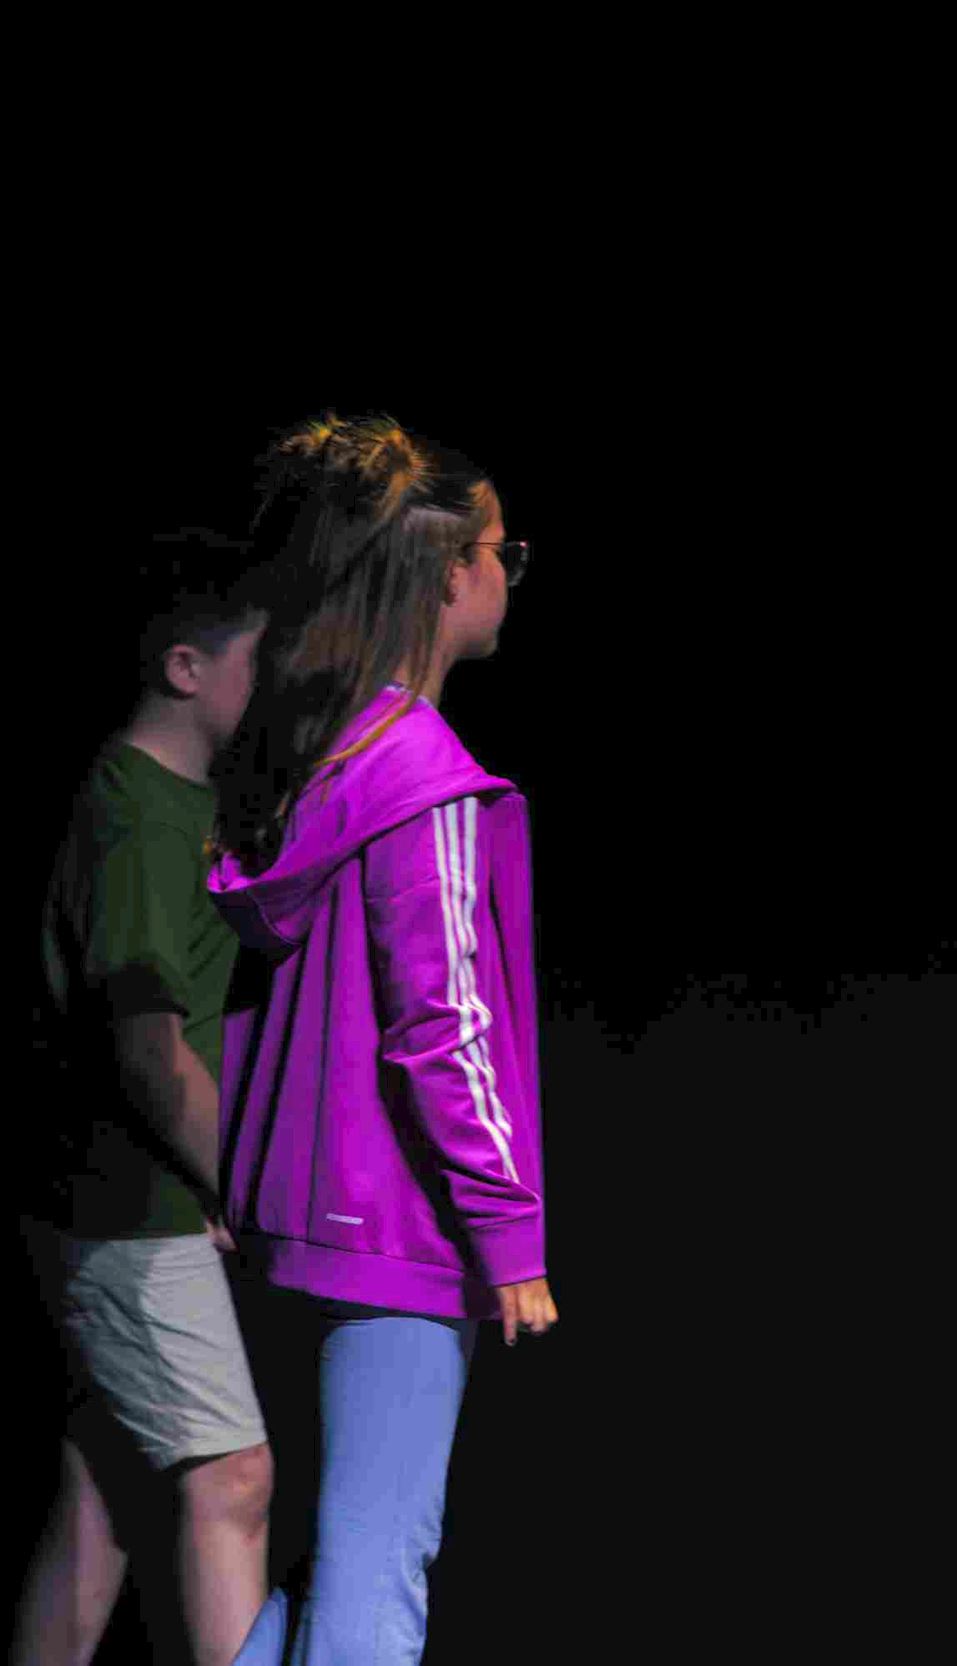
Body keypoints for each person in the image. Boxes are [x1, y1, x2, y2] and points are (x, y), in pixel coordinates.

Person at [212, 414, 557, 1666]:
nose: (509, 575)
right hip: (405, 1223)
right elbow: (446, 1025)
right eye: (506, 553)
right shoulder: (426, 776)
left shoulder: (321, 754)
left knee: (331, 1554)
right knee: (378, 1554)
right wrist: (507, 1229)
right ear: (450, 573)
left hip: (301, 1220)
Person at [21, 534, 274, 1666]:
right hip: (122, 1208)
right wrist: (241, 1182)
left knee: (106, 1495)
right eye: (255, 658)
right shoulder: (131, 813)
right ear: (186, 667)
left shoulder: (179, 804)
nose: (268, 682)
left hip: (128, 1196)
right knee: (232, 1474)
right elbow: (147, 1054)